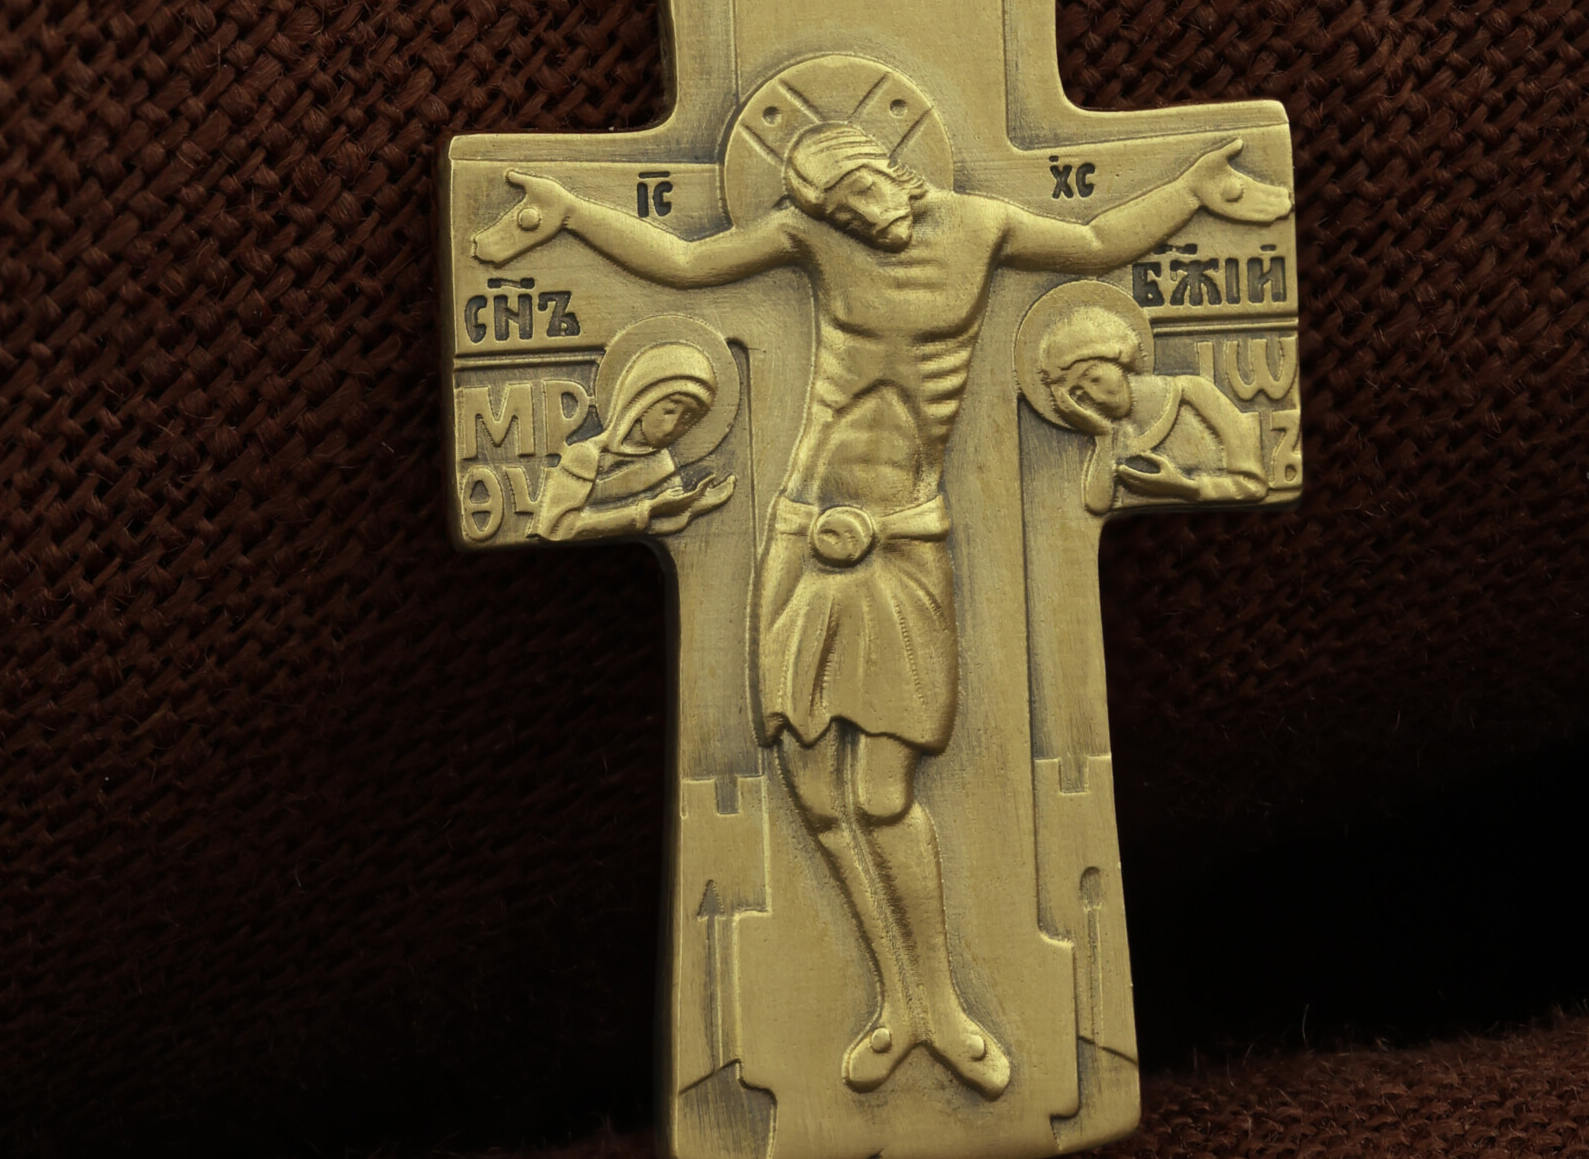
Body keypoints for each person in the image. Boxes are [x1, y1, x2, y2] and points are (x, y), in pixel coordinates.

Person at [477, 116, 1289, 1097]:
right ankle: (899, 1005)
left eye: (861, 195)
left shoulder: (981, 225)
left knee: (880, 794)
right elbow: (685, 263)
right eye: (838, 211)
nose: (862, 220)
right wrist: (570, 213)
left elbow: (1094, 240)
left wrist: (1192, 191)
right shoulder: (813, 238)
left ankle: (939, 1004)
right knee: (816, 793)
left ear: (889, 168)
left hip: (903, 541)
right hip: (804, 537)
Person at [1037, 305, 1266, 512]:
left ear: (1119, 359)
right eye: (1078, 394)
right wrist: (1103, 436)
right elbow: (1096, 505)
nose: (1095, 398)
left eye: (1094, 378)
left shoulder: (1192, 393)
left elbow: (1254, 487)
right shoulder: (1117, 434)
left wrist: (1186, 487)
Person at [528, 343, 735, 542]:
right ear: (642, 403)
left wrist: (693, 507)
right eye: (669, 411)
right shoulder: (586, 456)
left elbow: (657, 528)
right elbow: (557, 529)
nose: (673, 426)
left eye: (688, 418)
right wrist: (647, 509)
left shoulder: (662, 462)